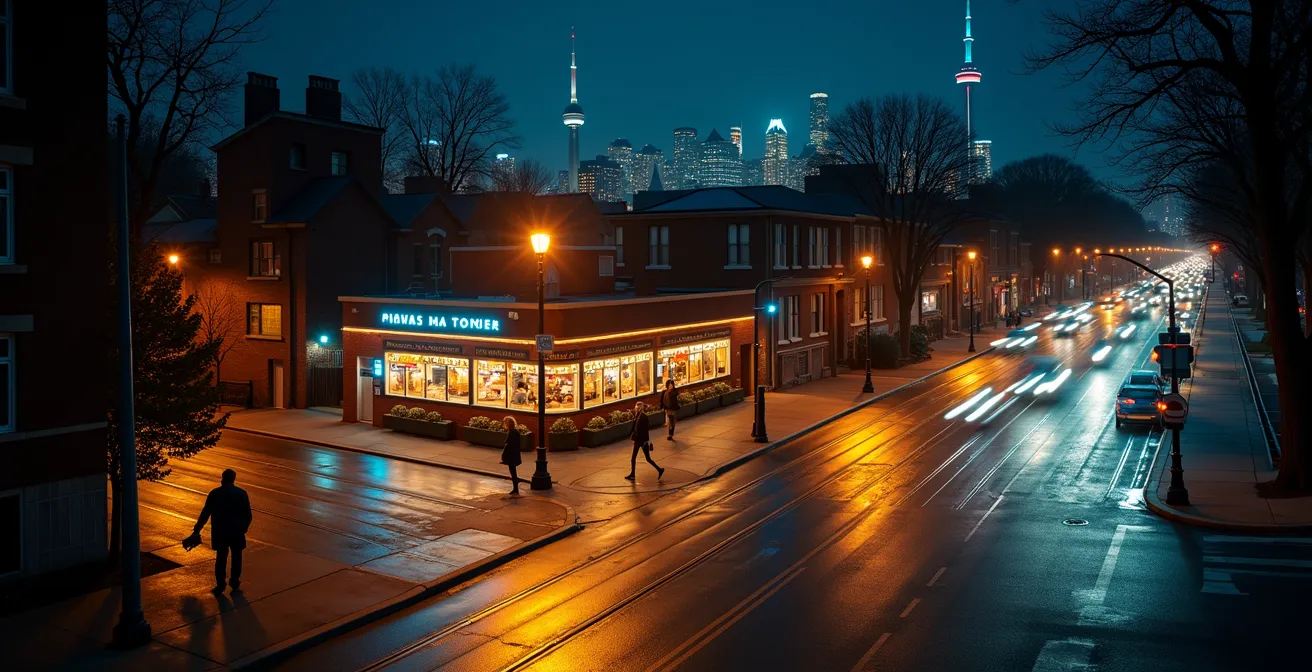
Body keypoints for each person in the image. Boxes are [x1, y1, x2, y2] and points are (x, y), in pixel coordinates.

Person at [193, 469, 252, 593]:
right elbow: (248, 515)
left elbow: (205, 513)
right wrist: (243, 529)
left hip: (220, 531)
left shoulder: (215, 494)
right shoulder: (241, 493)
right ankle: (234, 581)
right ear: (233, 479)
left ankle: (220, 584)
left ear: (222, 478)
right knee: (237, 556)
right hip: (236, 531)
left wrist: (197, 529)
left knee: (221, 557)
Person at [625, 402, 664, 481]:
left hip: (642, 441)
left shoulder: (644, 417)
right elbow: (634, 427)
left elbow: (645, 430)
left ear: (640, 408)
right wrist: (631, 435)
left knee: (647, 458)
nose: (635, 409)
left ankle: (659, 470)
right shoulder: (637, 415)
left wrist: (646, 441)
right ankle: (633, 474)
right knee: (634, 458)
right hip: (638, 440)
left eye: (636, 408)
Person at [501, 416, 522, 495]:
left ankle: (515, 488)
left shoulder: (511, 432)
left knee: (513, 473)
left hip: (511, 456)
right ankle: (515, 488)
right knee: (513, 472)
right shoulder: (516, 432)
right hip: (515, 455)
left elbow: (507, 443)